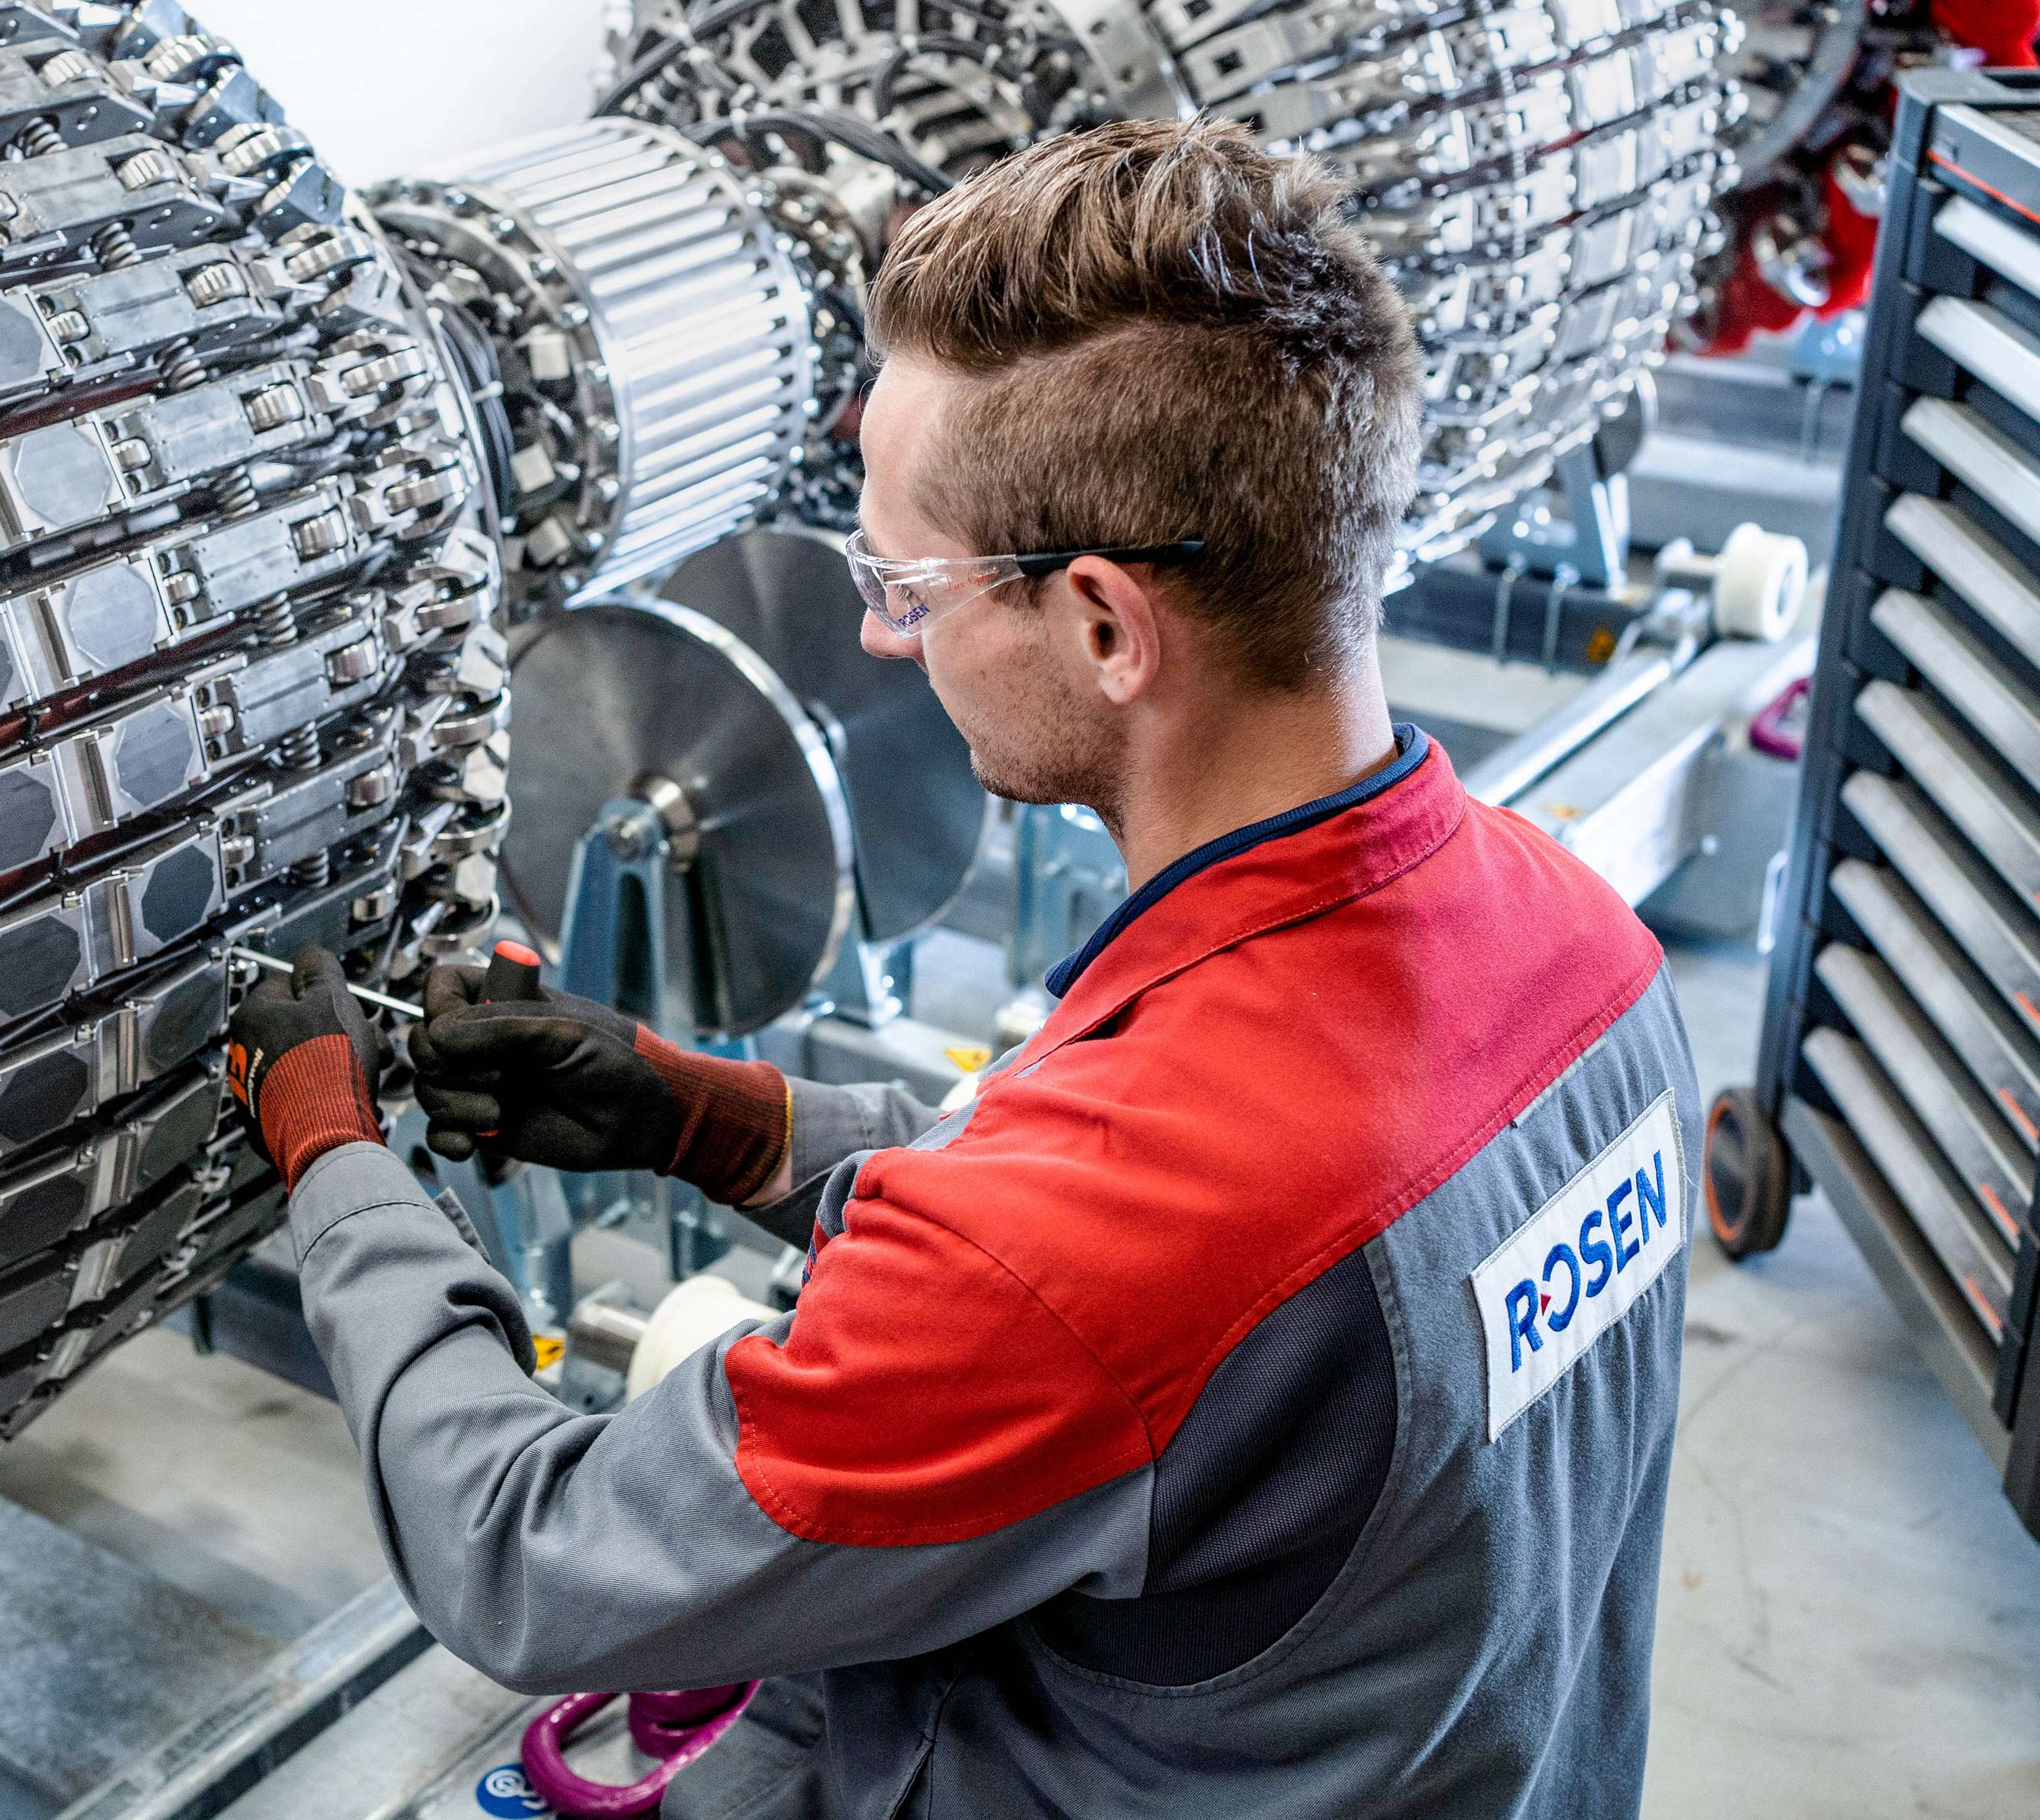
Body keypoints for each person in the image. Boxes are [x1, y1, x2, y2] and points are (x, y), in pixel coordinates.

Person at [224, 116, 1696, 1817]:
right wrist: (707, 1118)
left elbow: (534, 1560)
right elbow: (1168, 1304)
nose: (875, 632)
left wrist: (336, 1168)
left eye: (905, 582)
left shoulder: (1102, 1254)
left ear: (1099, 624)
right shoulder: (1582, 945)